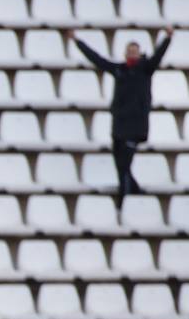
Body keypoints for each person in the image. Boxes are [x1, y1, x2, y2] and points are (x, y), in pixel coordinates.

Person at [67, 28, 175, 207]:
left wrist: (167, 38)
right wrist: (77, 41)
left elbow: (158, 55)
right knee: (120, 164)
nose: (132, 53)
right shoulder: (119, 69)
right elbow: (97, 59)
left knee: (124, 165)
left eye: (135, 51)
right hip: (118, 125)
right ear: (125, 53)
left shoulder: (145, 69)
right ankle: (135, 191)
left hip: (136, 125)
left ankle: (122, 203)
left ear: (140, 54)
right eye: (130, 50)